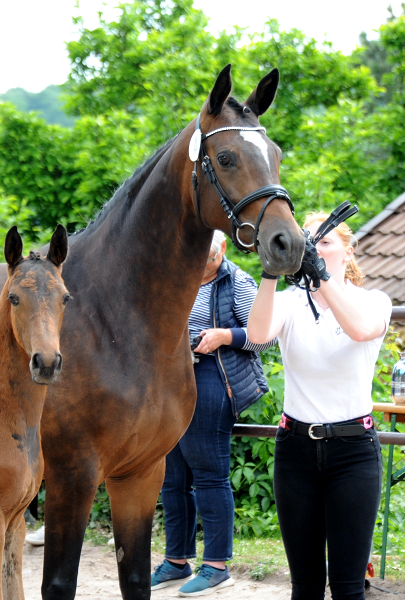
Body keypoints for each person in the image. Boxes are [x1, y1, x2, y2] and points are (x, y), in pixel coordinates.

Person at [247, 212, 392, 600]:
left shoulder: (373, 301)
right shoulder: (290, 303)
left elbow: (359, 330)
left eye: (324, 241)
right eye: (307, 241)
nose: (314, 248)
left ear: (348, 250)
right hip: (295, 450)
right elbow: (257, 335)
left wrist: (322, 280)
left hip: (353, 453)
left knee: (347, 588)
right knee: (305, 586)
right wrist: (270, 272)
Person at [150, 230, 276, 597]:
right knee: (172, 477)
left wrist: (224, 336)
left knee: (208, 474)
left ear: (221, 250)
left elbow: (265, 336)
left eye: (208, 258)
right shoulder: (178, 271)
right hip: (172, 378)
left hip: (212, 377)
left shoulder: (237, 280)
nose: (202, 264)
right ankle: (177, 561)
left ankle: (217, 566)